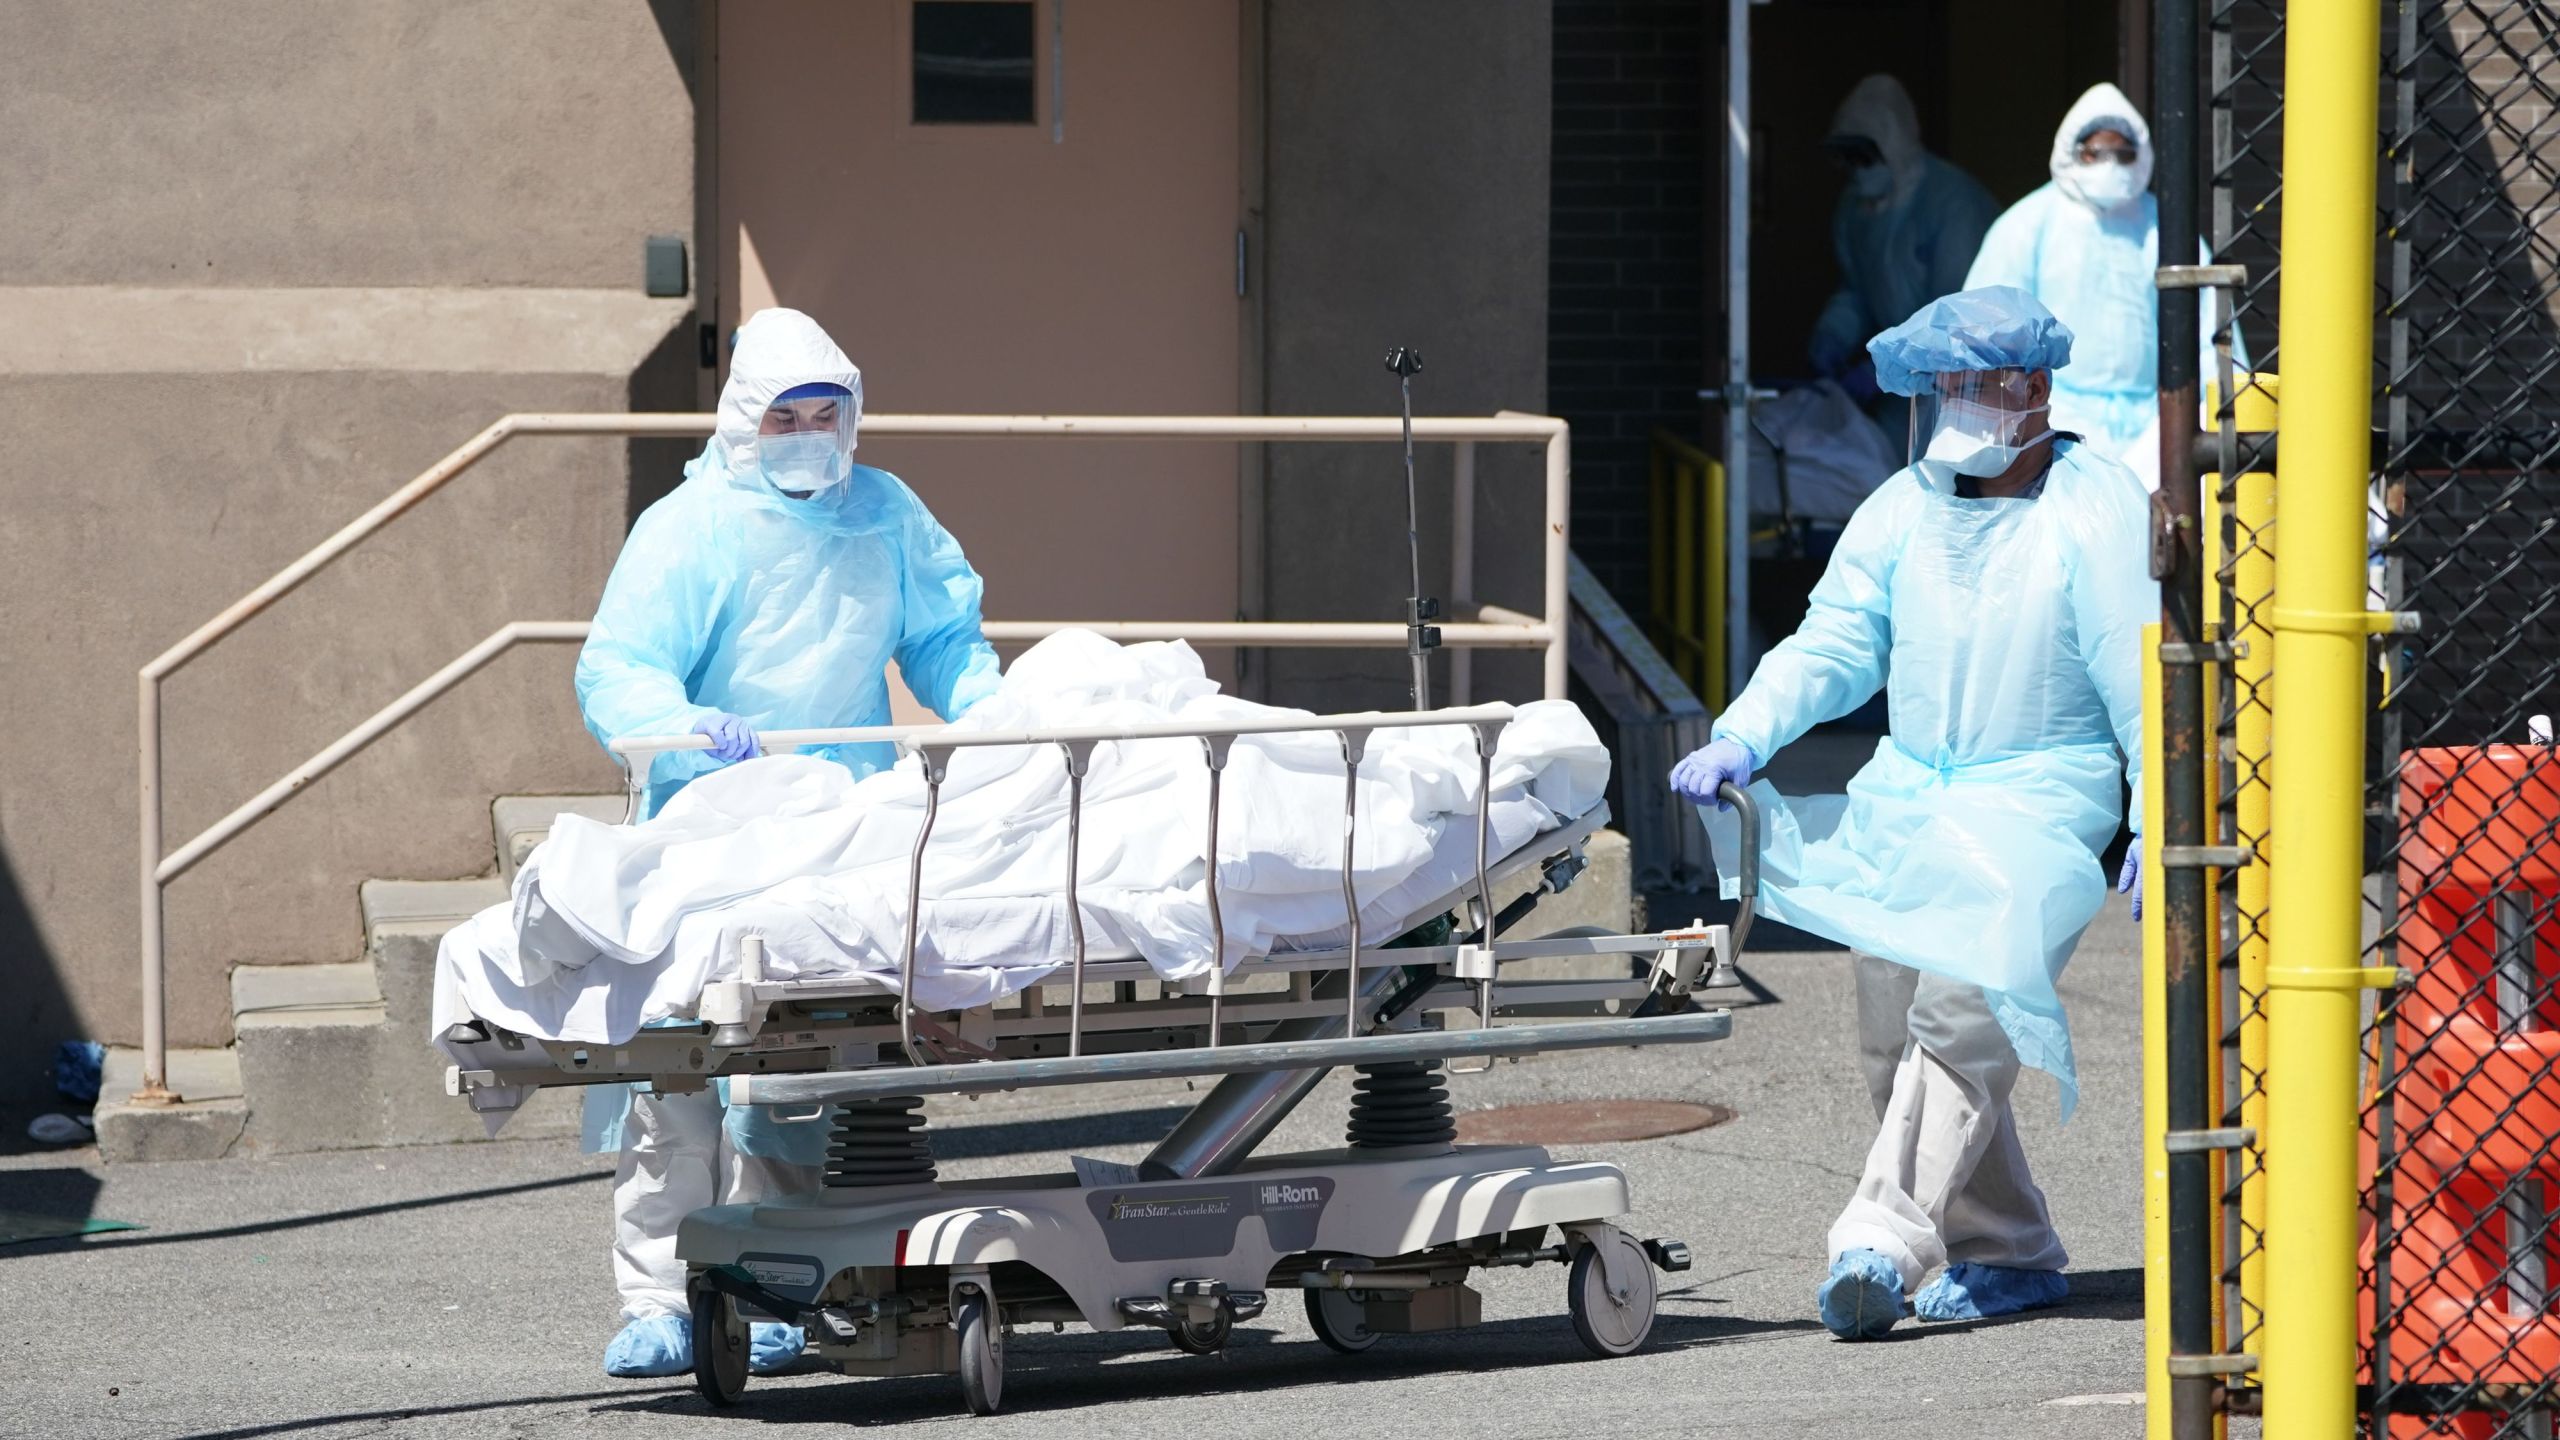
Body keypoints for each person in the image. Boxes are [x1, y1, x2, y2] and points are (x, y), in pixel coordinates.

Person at [1669, 286, 2154, 1339]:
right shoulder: (1906, 505)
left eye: (1978, 384)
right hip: (1911, 798)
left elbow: (2135, 669)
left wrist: (2159, 807)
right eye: (1943, 387)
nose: (1958, 406)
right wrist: (1744, 730)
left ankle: (1876, 1242)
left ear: (2035, 387)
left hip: (2037, 804)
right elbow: (1834, 641)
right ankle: (2007, 1248)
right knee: (1892, 1040)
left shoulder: (2096, 506)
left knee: (1960, 1021)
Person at [574, 306, 1003, 1377]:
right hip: (709, 822)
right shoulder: (690, 528)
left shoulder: (887, 515)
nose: (811, 432)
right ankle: (656, 1299)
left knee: (789, 1078)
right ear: (742, 421)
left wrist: (996, 722)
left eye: (829, 413)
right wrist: (687, 731)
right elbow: (617, 669)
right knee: (678, 1075)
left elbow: (946, 636)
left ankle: (765, 1286)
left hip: (831, 829)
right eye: (788, 415)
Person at [1964, 82, 2233, 471]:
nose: (2110, 166)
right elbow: (1985, 326)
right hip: (2055, 413)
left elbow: (2211, 329)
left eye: (2123, 154)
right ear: (2073, 151)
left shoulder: (2166, 227)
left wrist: (2216, 401)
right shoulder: (2028, 224)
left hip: (2155, 422)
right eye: (2096, 153)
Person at [1807, 75, 1999, 412]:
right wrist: (1834, 333)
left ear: (1893, 145)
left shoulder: (1951, 204)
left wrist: (1886, 365)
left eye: (1863, 157)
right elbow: (1857, 291)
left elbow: (1957, 315)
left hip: (1968, 383)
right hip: (1902, 394)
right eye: (1846, 159)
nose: (1855, 171)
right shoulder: (1855, 209)